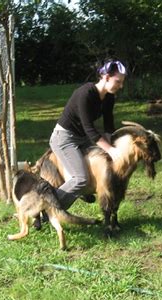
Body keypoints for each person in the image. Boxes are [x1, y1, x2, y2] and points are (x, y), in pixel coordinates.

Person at [49, 59, 127, 210]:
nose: (121, 86)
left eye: (122, 82)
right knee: (81, 179)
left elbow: (108, 124)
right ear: (106, 77)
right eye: (118, 81)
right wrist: (110, 150)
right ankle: (48, 209)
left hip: (82, 139)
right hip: (64, 138)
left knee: (99, 167)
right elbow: (89, 129)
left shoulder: (109, 97)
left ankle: (78, 194)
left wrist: (110, 145)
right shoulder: (85, 93)